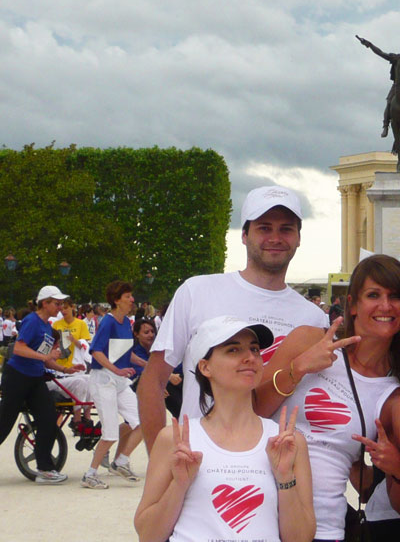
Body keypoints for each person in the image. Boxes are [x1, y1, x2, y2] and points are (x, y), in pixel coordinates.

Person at [129, 315, 323, 542]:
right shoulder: (177, 439)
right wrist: (179, 485)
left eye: (254, 349)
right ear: (205, 367)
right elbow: (148, 539)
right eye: (233, 350)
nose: (249, 357)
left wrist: (284, 478)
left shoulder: (287, 442)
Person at [254, 255, 400, 542]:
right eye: (373, 295)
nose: (385, 305)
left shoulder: (397, 388)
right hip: (254, 512)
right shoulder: (308, 339)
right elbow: (251, 410)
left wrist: (398, 470)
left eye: (395, 296)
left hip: (319, 528)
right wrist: (298, 368)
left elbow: (386, 492)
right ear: (353, 304)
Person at [139, 185, 328, 453]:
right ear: (244, 235)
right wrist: (158, 458)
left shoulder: (314, 318)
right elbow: (153, 381)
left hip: (277, 467)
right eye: (264, 228)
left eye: (286, 229)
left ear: (298, 238)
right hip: (199, 463)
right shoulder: (196, 292)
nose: (275, 237)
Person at [0, 286, 72, 483]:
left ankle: (45, 469)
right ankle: (44, 467)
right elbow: (19, 349)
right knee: (4, 423)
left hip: (35, 378)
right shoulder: (32, 321)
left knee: (48, 418)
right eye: (57, 303)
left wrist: (66, 369)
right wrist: (45, 356)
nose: (60, 307)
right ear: (45, 303)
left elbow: (44, 359)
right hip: (17, 377)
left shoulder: (47, 326)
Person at [82, 280, 144, 489]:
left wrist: (147, 364)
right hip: (103, 381)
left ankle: (121, 461)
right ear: (117, 300)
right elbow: (96, 351)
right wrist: (116, 369)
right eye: (128, 296)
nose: (132, 299)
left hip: (119, 381)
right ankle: (90, 474)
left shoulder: (126, 322)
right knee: (110, 433)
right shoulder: (108, 322)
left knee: (142, 422)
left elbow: (126, 353)